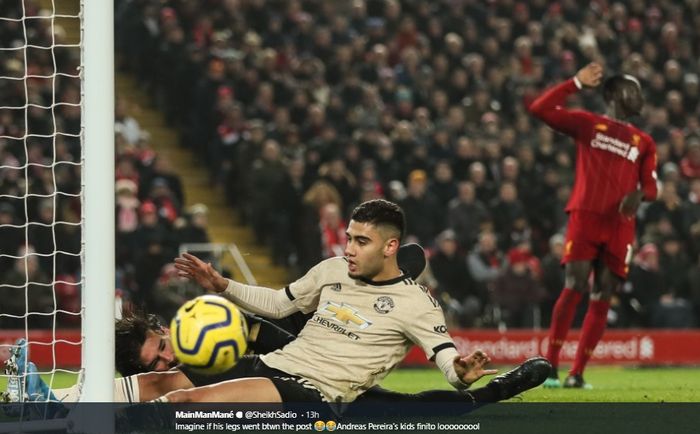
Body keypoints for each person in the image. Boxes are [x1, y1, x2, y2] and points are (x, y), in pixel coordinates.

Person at [529, 63, 659, 388]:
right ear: (613, 94)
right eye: (633, 90)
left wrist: (639, 195)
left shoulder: (644, 142)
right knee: (574, 284)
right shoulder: (589, 124)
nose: (640, 97)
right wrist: (574, 83)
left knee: (604, 293)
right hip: (585, 216)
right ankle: (552, 367)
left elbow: (653, 189)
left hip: (620, 226)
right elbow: (540, 109)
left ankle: (577, 374)